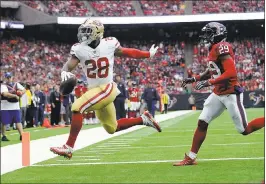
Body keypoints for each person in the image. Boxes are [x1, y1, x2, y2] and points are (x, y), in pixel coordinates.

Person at [50, 18, 161, 159]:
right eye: (83, 31)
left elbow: (129, 52)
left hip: (107, 88)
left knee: (77, 107)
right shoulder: (79, 49)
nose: (83, 34)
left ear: (97, 33)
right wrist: (64, 73)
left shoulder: (108, 44)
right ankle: (143, 119)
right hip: (94, 91)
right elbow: (68, 66)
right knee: (111, 128)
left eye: (87, 31)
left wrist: (148, 54)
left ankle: (68, 147)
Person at [174, 22, 265, 166]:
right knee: (202, 122)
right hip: (218, 93)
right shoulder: (214, 48)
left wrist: (210, 82)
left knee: (244, 130)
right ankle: (191, 157)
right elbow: (213, 70)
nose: (206, 36)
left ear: (217, 34)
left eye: (209, 33)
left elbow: (231, 72)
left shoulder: (222, 47)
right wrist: (195, 78)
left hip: (230, 93)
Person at [0, 72, 25, 141]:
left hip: (15, 106)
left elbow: (24, 89)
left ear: (12, 77)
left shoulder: (16, 84)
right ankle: (4, 136)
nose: (9, 79)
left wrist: (21, 93)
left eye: (10, 77)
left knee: (18, 121)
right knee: (4, 122)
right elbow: (4, 94)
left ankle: (22, 135)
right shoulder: (3, 86)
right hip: (5, 107)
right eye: (7, 77)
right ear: (5, 78)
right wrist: (15, 95)